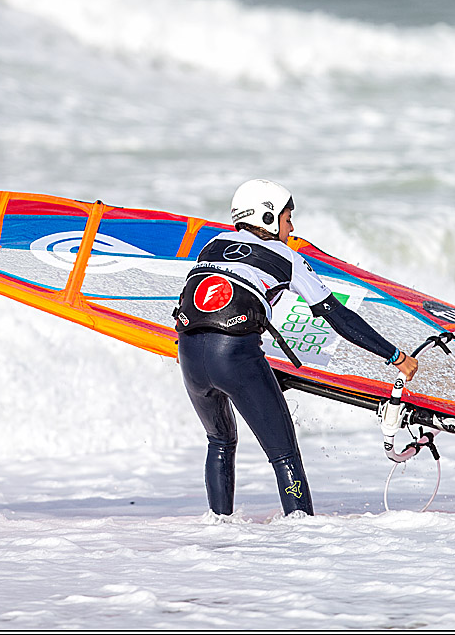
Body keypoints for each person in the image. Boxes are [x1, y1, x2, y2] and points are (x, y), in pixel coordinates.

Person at [173, 179, 418, 517]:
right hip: (234, 356)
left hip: (189, 356)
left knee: (220, 441)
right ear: (269, 218)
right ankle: (302, 539)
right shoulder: (286, 257)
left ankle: (218, 528)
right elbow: (338, 316)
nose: (292, 227)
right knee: (284, 455)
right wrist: (395, 355)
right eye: (288, 218)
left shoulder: (213, 244)